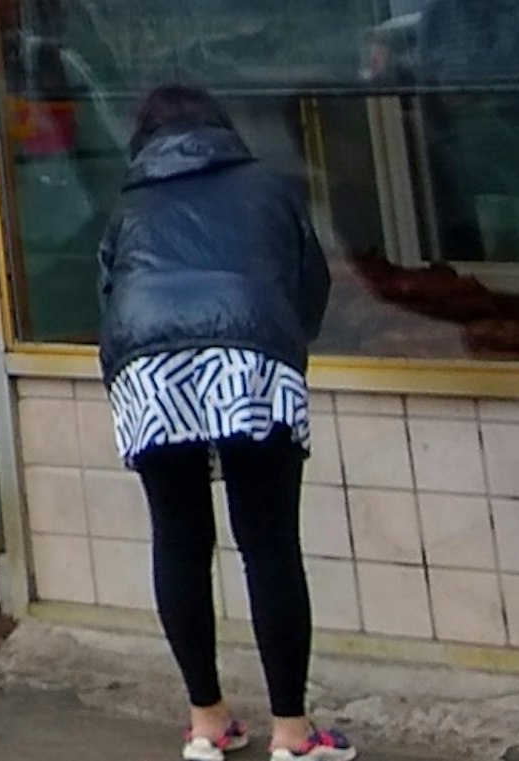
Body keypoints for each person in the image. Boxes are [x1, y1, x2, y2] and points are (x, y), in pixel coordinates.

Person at [99, 88, 348, 761]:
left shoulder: (130, 205)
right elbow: (310, 281)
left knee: (178, 538)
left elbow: (109, 292)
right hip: (251, 350)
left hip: (147, 362)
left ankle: (207, 720)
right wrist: (281, 338)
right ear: (220, 127)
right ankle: (294, 733)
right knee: (268, 541)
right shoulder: (266, 185)